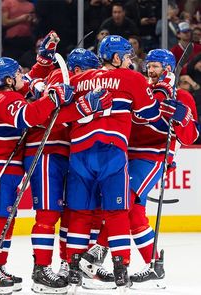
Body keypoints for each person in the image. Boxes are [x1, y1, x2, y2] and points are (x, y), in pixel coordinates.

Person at [81, 49, 199, 289]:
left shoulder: (182, 96)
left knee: (124, 200)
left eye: (155, 66)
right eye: (149, 65)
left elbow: (191, 137)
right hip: (126, 156)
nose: (150, 69)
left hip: (153, 157)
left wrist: (181, 118)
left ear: (167, 68)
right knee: (134, 214)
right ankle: (155, 267)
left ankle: (98, 251)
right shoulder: (140, 89)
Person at [64, 35, 169, 292]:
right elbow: (150, 114)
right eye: (127, 56)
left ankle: (74, 269)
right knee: (117, 212)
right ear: (116, 57)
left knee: (79, 213)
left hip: (79, 153)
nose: (130, 61)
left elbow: (63, 117)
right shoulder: (132, 79)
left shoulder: (80, 79)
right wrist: (164, 103)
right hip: (112, 153)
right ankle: (121, 270)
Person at [0, 54, 74, 295]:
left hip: (1, 164)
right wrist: (54, 96)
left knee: (5, 220)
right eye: (16, 73)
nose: (21, 76)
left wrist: (42, 63)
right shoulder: (5, 98)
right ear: (7, 80)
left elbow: (28, 81)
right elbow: (30, 116)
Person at [23, 44, 113, 294]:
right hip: (46, 152)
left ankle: (67, 265)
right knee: (48, 214)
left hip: (70, 153)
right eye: (87, 71)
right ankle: (41, 271)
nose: (92, 77)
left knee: (73, 215)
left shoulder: (78, 85)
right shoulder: (55, 79)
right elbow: (46, 113)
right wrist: (82, 106)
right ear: (74, 69)